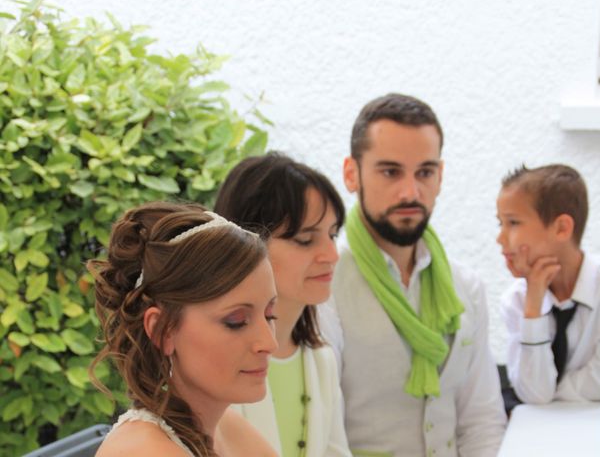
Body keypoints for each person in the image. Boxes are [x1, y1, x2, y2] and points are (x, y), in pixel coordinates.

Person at [320, 93, 506, 457]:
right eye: (390, 171)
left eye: (425, 172)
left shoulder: (466, 287)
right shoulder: (323, 287)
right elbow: (322, 435)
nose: (410, 191)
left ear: (440, 175)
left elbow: (481, 420)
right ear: (350, 174)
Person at [89, 202, 279, 457]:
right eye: (236, 321)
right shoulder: (143, 452)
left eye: (269, 315)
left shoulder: (228, 428)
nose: (268, 343)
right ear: (162, 330)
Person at [214, 152, 352, 457]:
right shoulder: (209, 362)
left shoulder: (321, 360)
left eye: (332, 235)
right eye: (305, 239)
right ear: (244, 242)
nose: (331, 255)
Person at [497, 164, 600, 405]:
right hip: (539, 430)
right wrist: (533, 310)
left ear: (562, 228)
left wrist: (549, 395)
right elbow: (533, 395)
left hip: (599, 428)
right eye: (499, 223)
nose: (500, 238)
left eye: (513, 223)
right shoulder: (517, 300)